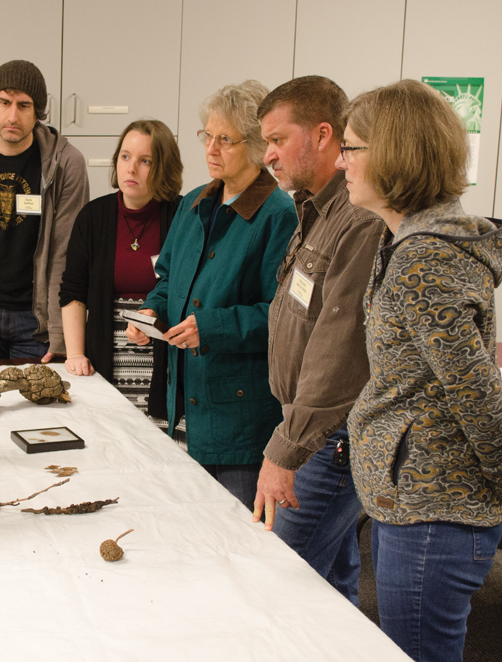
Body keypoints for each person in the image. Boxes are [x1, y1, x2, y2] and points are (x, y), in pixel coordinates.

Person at [339, 79, 502, 661]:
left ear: (394, 156)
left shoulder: (424, 257)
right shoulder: (409, 243)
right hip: (414, 498)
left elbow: (476, 392)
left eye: (352, 147)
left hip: (434, 507)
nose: (342, 161)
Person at [126, 81, 296, 505]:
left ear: (257, 146)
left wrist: (211, 327)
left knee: (238, 542)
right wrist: (151, 313)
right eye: (207, 136)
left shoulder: (278, 215)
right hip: (186, 404)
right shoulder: (192, 204)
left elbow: (281, 315)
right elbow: (167, 281)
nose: (211, 149)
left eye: (225, 140)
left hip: (240, 415)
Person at [249, 76, 384, 606]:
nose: (269, 156)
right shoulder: (315, 210)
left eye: (279, 140)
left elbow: (339, 349)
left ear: (324, 135)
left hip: (325, 438)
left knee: (279, 584)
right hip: (308, 428)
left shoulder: (358, 220)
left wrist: (285, 450)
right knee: (330, 585)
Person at [0, 60, 89, 363]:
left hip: (38, 324)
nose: (12, 116)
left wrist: (61, 335)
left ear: (38, 112)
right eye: (4, 102)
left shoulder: (66, 165)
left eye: (24, 105)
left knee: (41, 410)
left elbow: (64, 254)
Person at [59, 120, 183, 427]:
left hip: (164, 359)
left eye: (145, 161)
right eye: (125, 157)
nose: (131, 169)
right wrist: (75, 354)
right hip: (104, 356)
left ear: (163, 168)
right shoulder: (93, 217)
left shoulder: (183, 215)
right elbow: (73, 290)